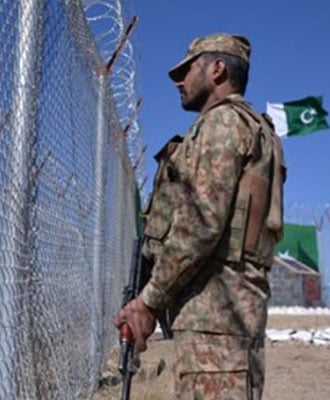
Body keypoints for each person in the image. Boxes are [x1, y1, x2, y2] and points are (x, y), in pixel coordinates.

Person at [115, 33, 286, 399]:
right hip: (229, 314)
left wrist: (148, 301)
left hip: (215, 313)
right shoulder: (255, 128)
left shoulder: (222, 124)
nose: (178, 80)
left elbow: (200, 224)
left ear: (218, 69)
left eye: (188, 69)